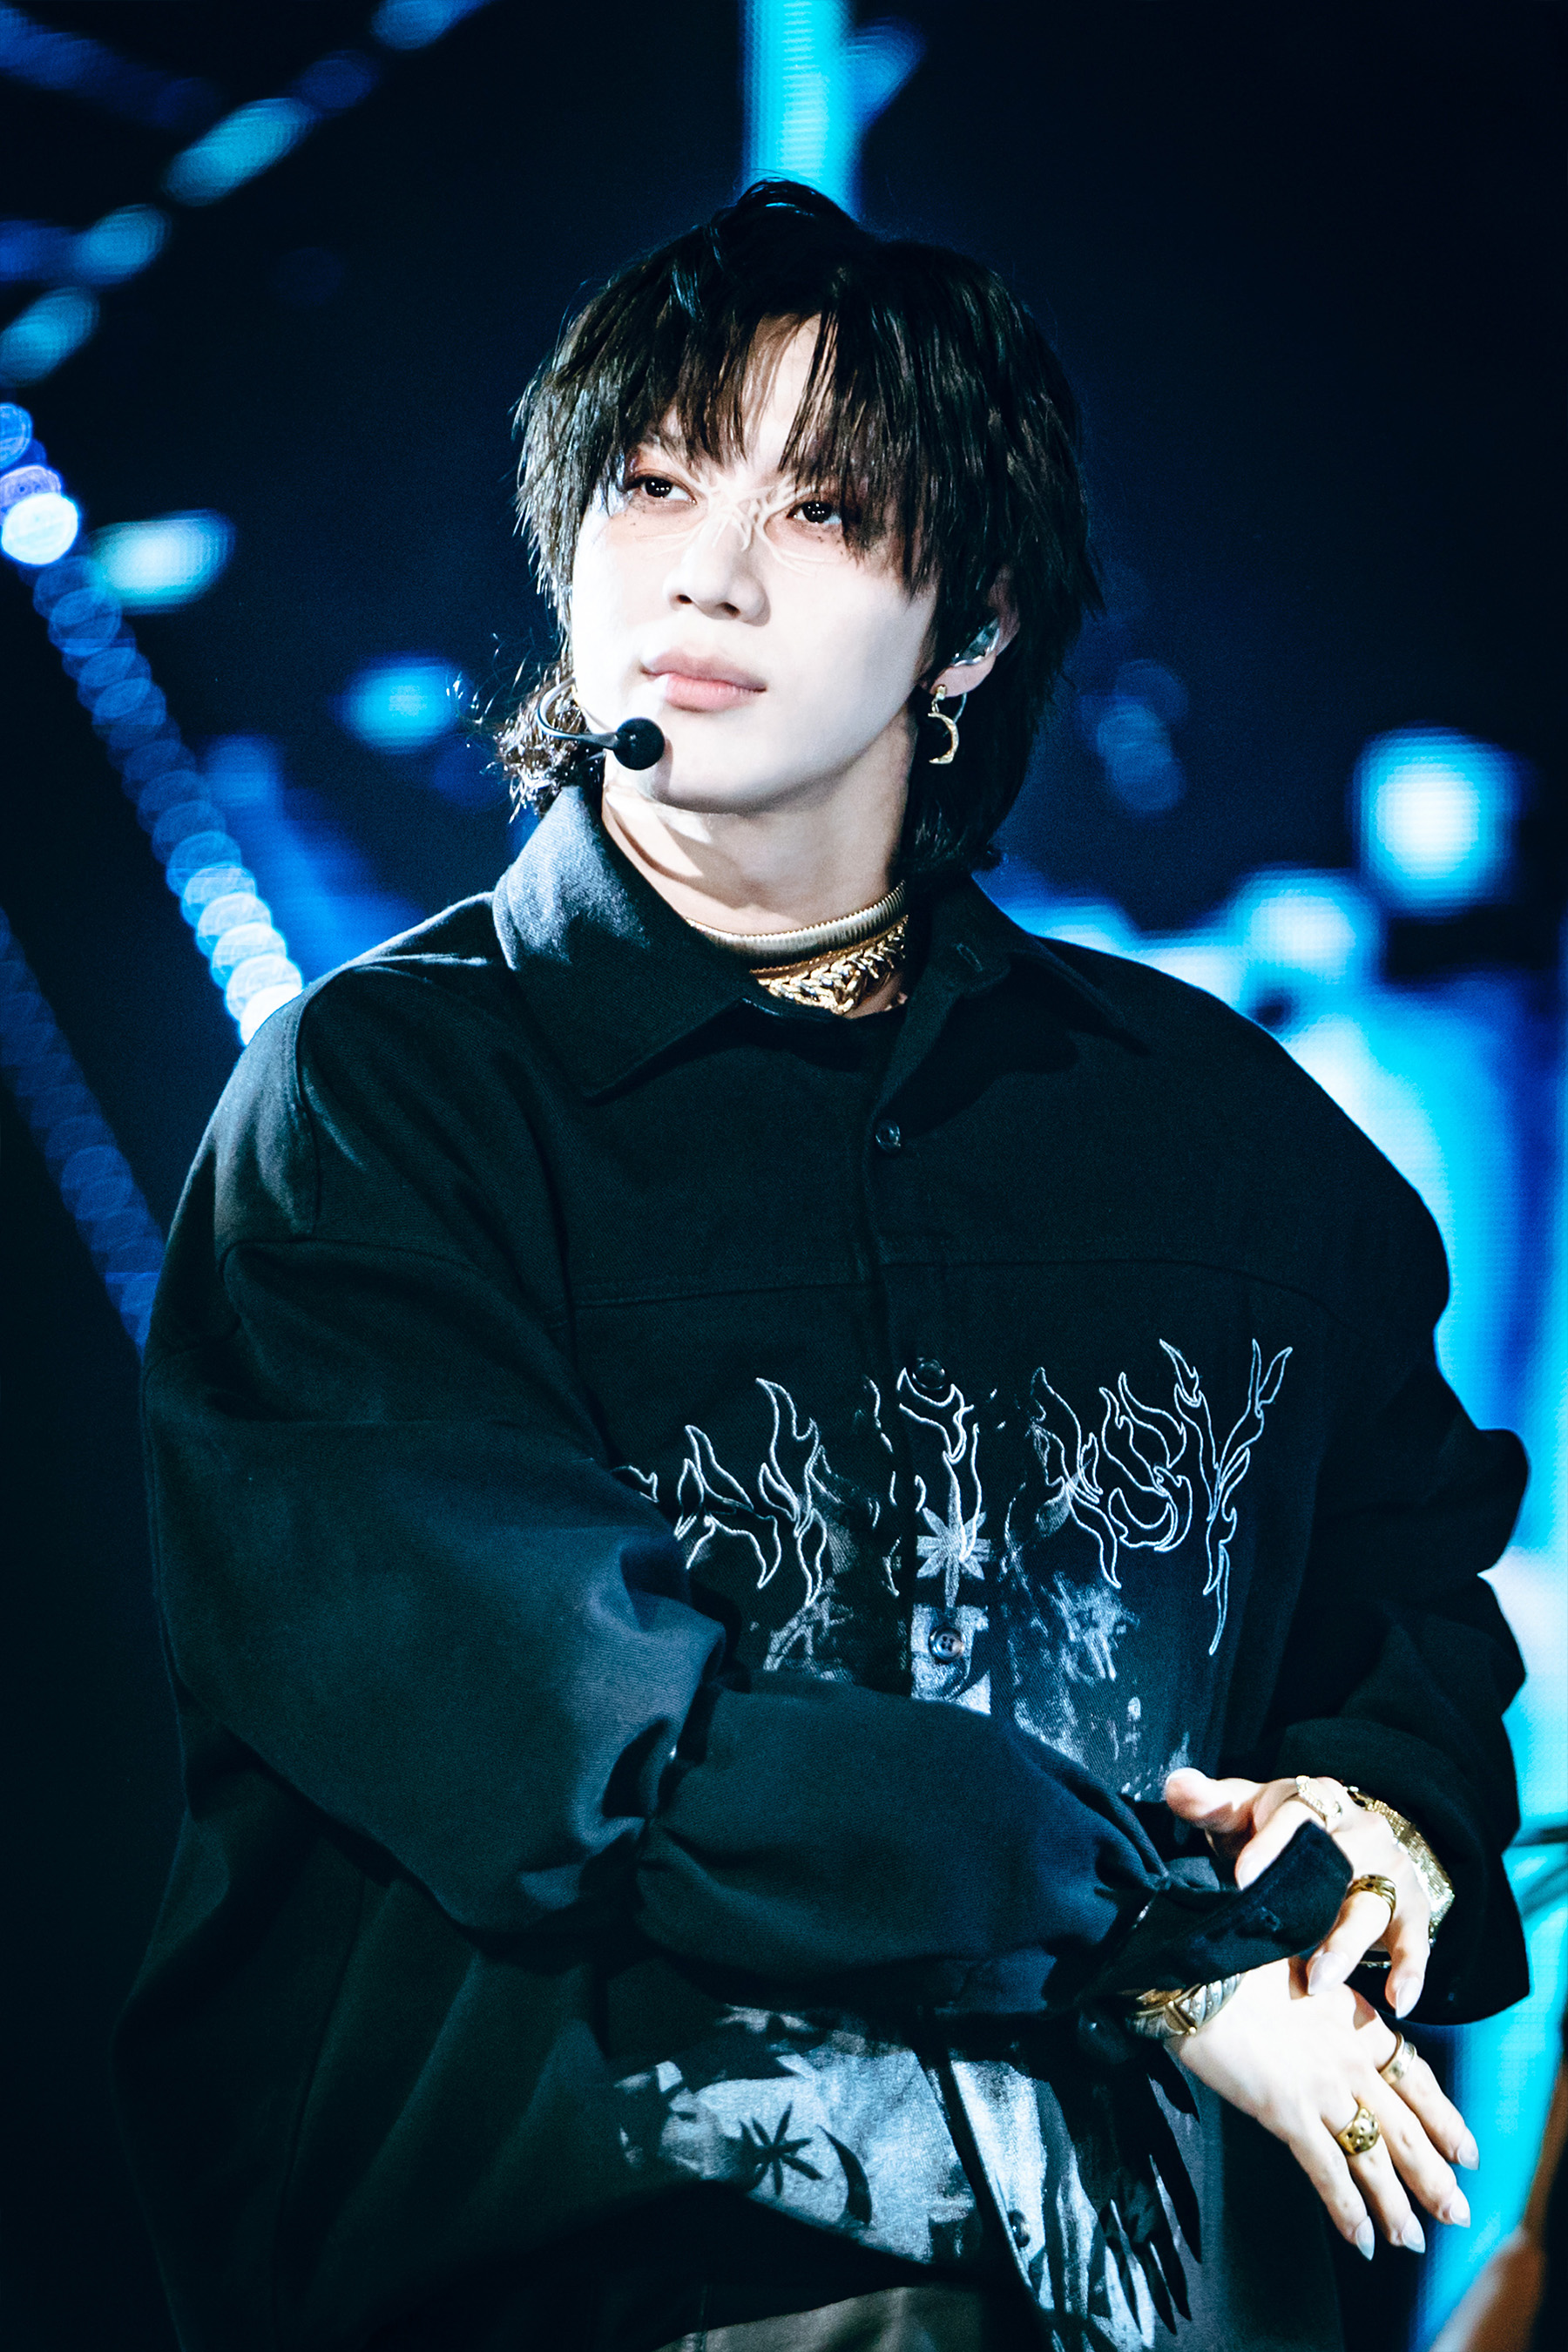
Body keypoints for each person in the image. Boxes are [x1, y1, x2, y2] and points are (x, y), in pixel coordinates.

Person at [114, 183, 1529, 2352]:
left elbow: (1413, 1586)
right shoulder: (377, 1106)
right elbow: (594, 1749)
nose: (709, 568)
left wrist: (1380, 1812)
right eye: (656, 483)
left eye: (828, 509)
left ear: (969, 632)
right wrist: (1162, 1956)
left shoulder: (1219, 1130)